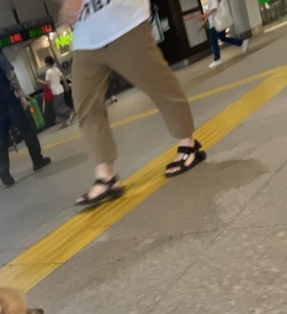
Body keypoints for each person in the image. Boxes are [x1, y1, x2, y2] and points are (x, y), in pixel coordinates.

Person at [60, 0, 207, 206]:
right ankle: (105, 175)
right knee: (85, 105)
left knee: (159, 83)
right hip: (86, 36)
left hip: (124, 22)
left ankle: (187, 145)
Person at [0, 28, 52, 187]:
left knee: (1, 140)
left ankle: (4, 172)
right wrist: (21, 95)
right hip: (9, 103)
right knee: (27, 130)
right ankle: (37, 159)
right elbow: (10, 76)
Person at [203, 0, 249, 68]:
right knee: (223, 38)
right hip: (216, 23)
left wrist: (206, 15)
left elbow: (214, 8)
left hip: (215, 24)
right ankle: (242, 43)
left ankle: (217, 59)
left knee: (213, 41)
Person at [41, 56, 74, 127]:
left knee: (58, 107)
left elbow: (47, 83)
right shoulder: (57, 69)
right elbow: (63, 78)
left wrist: (42, 82)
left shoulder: (48, 72)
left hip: (54, 91)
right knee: (61, 104)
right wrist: (66, 85)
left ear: (47, 63)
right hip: (60, 89)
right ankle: (63, 122)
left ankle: (69, 111)